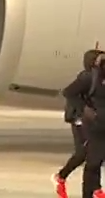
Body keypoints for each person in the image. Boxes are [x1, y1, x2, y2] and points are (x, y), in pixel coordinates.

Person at [53, 49, 102, 198]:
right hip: (79, 119)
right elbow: (68, 93)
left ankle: (95, 188)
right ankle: (61, 177)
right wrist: (84, 109)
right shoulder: (86, 77)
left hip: (92, 122)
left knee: (95, 154)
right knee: (83, 153)